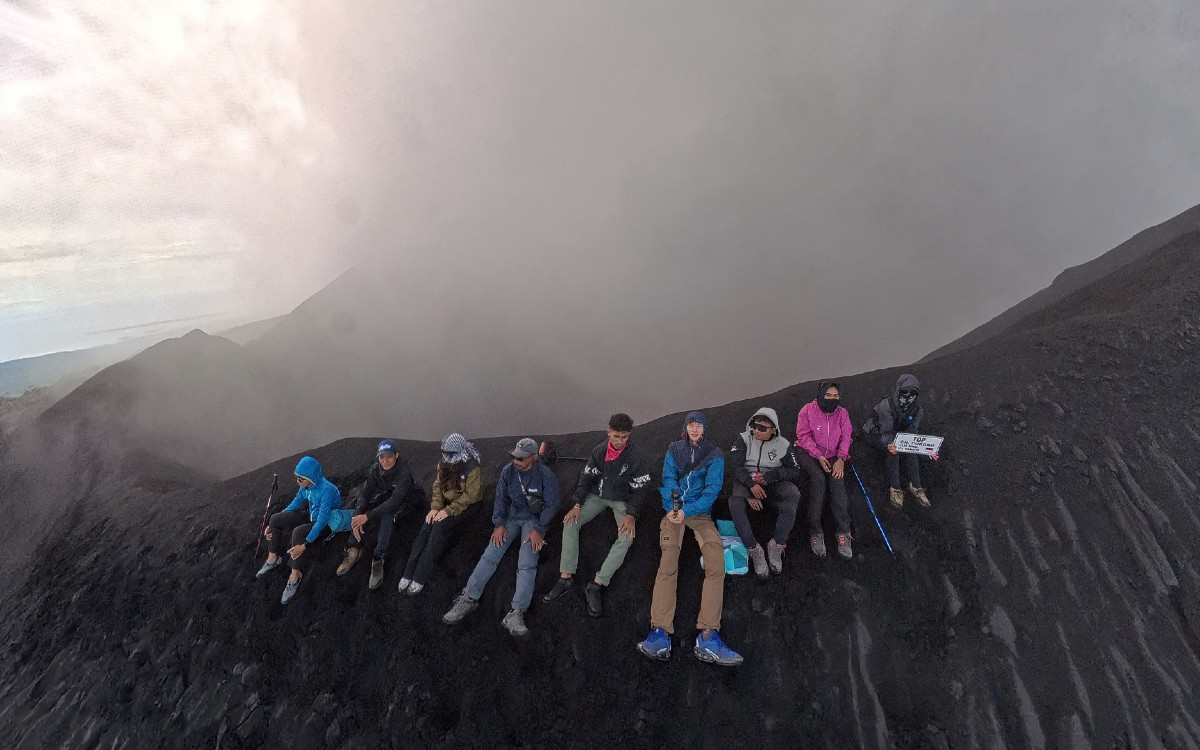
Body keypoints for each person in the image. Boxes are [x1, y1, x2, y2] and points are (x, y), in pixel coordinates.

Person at [636, 412, 743, 666]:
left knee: (716, 560)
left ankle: (708, 634)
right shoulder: (674, 449)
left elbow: (712, 490)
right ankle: (660, 631)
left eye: (699, 425)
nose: (695, 429)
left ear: (704, 429)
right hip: (674, 513)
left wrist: (687, 510)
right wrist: (672, 506)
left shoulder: (715, 454)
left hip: (699, 514)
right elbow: (668, 479)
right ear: (685, 428)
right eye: (691, 425)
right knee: (668, 559)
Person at [441, 438, 562, 637]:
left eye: (521, 458)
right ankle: (467, 598)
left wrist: (539, 530)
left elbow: (552, 504)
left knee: (527, 561)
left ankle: (516, 613)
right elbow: (501, 499)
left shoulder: (545, 475)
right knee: (490, 554)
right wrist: (499, 525)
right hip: (511, 518)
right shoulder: (508, 472)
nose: (516, 461)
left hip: (533, 521)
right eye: (514, 457)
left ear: (533, 457)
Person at [542, 413, 651, 617]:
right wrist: (576, 504)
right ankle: (566, 577)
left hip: (621, 500)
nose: (620, 441)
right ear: (609, 432)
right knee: (570, 522)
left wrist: (631, 514)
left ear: (629, 435)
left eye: (624, 437)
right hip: (598, 496)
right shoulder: (599, 452)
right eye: (616, 436)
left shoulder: (636, 457)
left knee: (626, 536)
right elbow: (587, 478)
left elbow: (641, 488)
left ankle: (597, 583)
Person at [255, 456, 352, 604]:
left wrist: (304, 544)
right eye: (297, 478)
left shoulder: (327, 490)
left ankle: (295, 576)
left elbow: (322, 520)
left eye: (300, 479)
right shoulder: (306, 487)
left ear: (311, 478)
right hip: (313, 517)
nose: (297, 482)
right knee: (275, 518)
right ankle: (273, 558)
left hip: (326, 526)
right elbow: (296, 502)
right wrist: (275, 522)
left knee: (298, 533)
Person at [399, 433, 484, 595]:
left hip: (467, 507)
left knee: (438, 529)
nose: (446, 456)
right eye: (444, 453)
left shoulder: (472, 467)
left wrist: (448, 511)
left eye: (450, 453)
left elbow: (471, 496)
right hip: (446, 504)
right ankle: (408, 572)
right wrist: (435, 507)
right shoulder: (443, 464)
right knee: (426, 527)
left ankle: (420, 575)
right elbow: (438, 487)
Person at [727, 407, 802, 578]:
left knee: (793, 494)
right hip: (747, 483)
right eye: (754, 426)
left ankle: (777, 543)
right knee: (735, 502)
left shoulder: (783, 445)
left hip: (771, 483)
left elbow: (794, 469)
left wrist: (772, 476)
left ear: (773, 429)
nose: (756, 431)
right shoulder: (743, 440)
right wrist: (750, 488)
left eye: (762, 428)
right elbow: (735, 466)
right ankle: (753, 548)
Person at [334, 439, 418, 590]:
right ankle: (353, 548)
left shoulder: (404, 471)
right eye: (381, 457)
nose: (385, 461)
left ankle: (378, 558)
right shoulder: (375, 469)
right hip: (386, 495)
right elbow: (365, 493)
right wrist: (358, 513)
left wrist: (367, 517)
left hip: (405, 501)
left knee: (387, 517)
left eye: (389, 457)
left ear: (396, 455)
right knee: (361, 510)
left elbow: (396, 500)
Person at [795, 382, 854, 560]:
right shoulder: (807, 410)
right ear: (820, 394)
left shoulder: (842, 413)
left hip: (834, 454)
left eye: (835, 396)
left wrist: (842, 458)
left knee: (837, 482)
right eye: (828, 395)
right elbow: (803, 436)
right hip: (810, 453)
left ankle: (843, 532)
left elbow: (847, 436)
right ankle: (815, 531)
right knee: (818, 480)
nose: (832, 399)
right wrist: (818, 456)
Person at [865, 373, 934, 508]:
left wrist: (925, 449)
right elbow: (886, 431)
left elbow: (913, 431)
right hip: (877, 433)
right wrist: (889, 444)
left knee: (911, 450)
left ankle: (916, 485)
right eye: (905, 392)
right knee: (894, 451)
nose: (908, 396)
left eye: (912, 392)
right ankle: (895, 488)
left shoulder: (917, 410)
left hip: (899, 433)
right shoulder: (887, 406)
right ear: (898, 390)